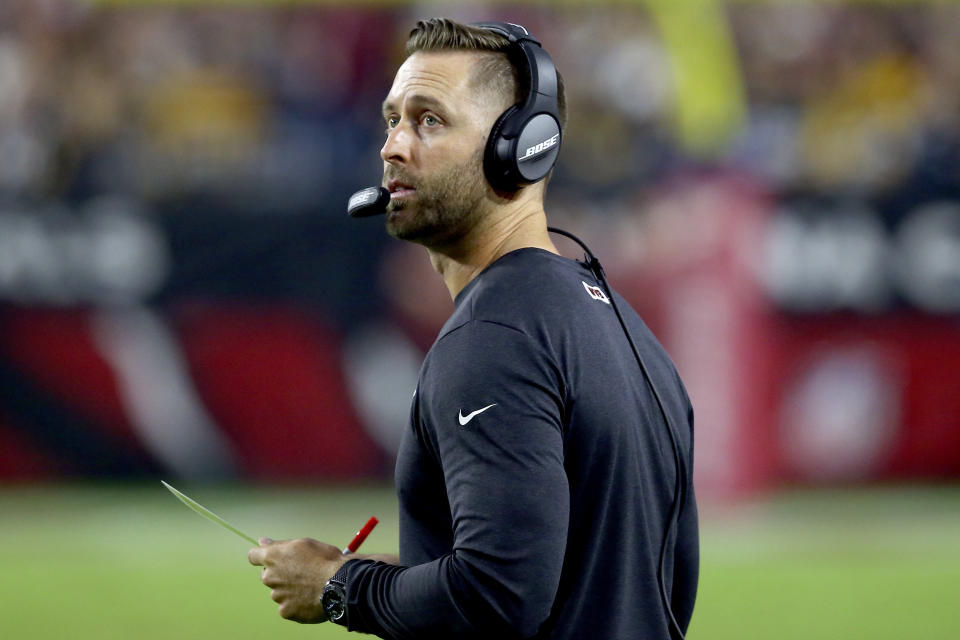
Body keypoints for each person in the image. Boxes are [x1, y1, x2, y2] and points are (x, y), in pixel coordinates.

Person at [248, 18, 698, 639]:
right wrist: (380, 573)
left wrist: (337, 589)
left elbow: (500, 592)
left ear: (520, 147)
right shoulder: (619, 322)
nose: (392, 147)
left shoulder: (492, 340)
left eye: (429, 120)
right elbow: (600, 578)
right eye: (391, 119)